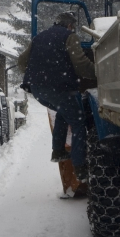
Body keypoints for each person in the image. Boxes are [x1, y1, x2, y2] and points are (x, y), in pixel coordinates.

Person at [18, 11, 96, 182]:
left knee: (64, 111)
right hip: (60, 88)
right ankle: (80, 167)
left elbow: (21, 62)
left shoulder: (38, 37)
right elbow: (81, 64)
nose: (73, 29)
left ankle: (58, 151)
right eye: (73, 27)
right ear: (70, 25)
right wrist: (99, 72)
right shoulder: (70, 36)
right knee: (78, 121)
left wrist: (39, 74)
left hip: (38, 90)